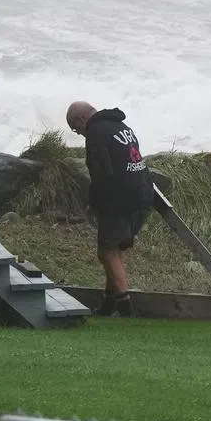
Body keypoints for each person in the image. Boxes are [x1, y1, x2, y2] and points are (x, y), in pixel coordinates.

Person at [65, 100, 155, 317]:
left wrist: (94, 204)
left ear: (81, 119)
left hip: (120, 199)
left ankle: (125, 307)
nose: (78, 134)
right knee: (114, 252)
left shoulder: (96, 133)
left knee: (106, 252)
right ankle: (109, 303)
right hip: (142, 195)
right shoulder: (122, 127)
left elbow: (101, 173)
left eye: (76, 129)